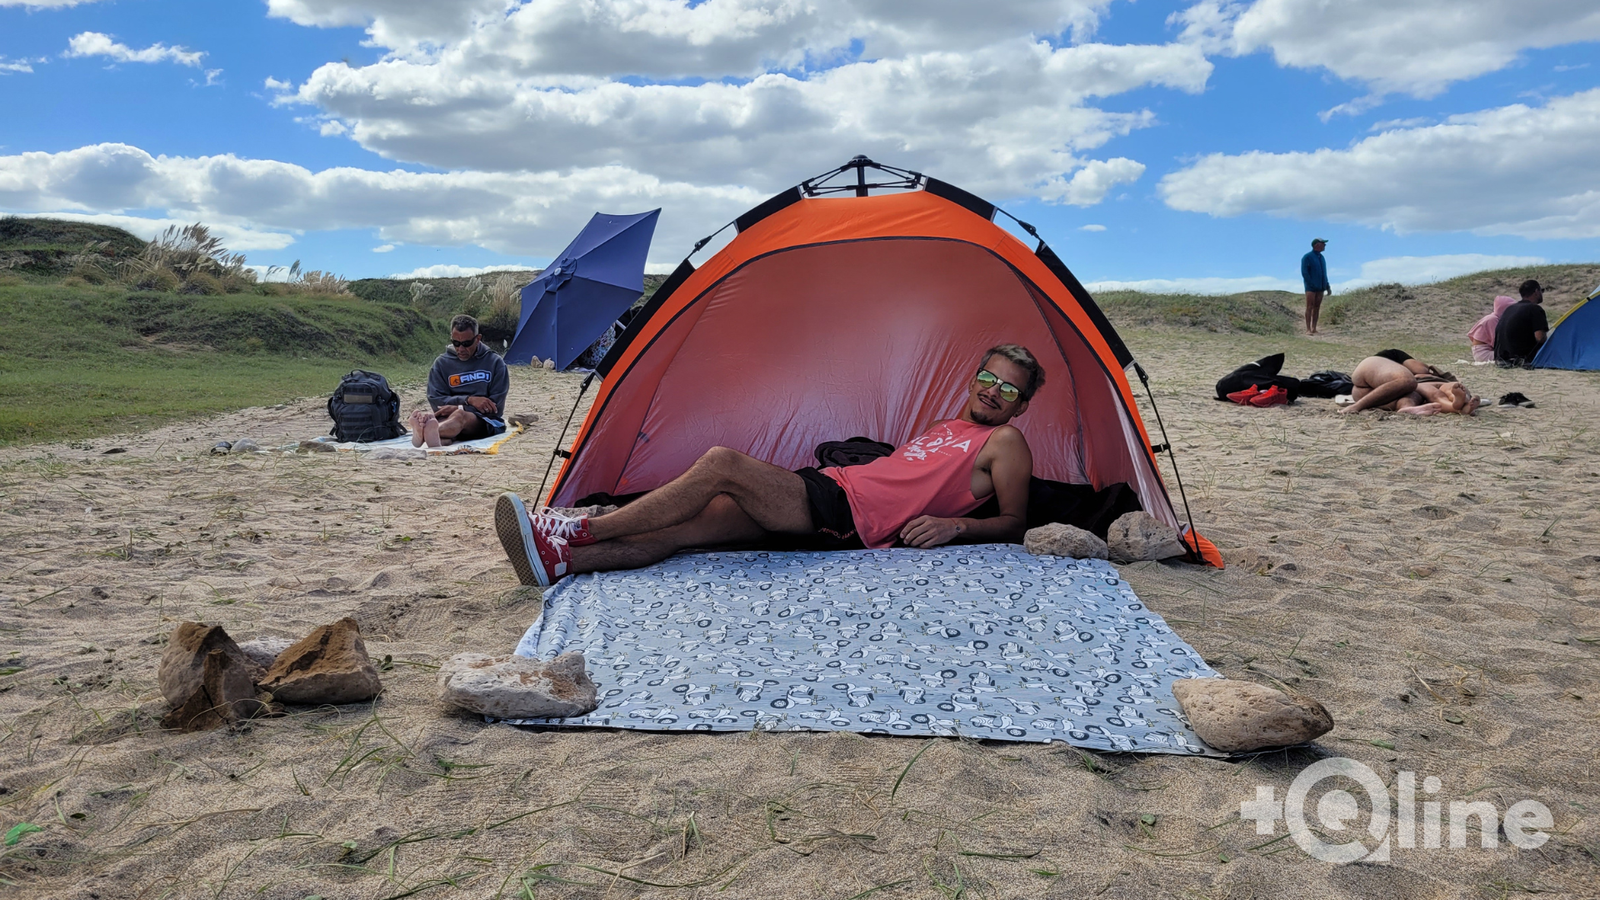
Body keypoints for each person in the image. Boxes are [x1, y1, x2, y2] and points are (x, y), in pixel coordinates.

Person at [495, 344, 1045, 586]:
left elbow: (1015, 522)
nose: (994, 392)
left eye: (1009, 390)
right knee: (686, 530)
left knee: (721, 464)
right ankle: (564, 563)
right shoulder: (946, 426)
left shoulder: (1006, 440)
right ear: (973, 378)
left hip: (847, 515)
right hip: (829, 490)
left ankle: (579, 530)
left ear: (1021, 405)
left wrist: (956, 527)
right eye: (988, 378)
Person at [414, 315, 510, 447]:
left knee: (459, 415)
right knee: (447, 432)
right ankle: (439, 436)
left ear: (478, 339)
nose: (461, 349)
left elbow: (495, 408)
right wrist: (468, 400)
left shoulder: (495, 363)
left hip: (486, 421)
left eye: (466, 344)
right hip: (449, 419)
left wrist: (460, 408)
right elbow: (436, 400)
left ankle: (425, 433)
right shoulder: (441, 364)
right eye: (456, 343)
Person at [1340, 352, 1479, 416]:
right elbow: (1420, 369)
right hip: (1422, 384)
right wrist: (1427, 367)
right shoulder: (1394, 356)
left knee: (1412, 396)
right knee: (1439, 392)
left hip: (1408, 392)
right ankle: (1458, 403)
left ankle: (1457, 405)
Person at [1494, 280, 1548, 368]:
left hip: (1501, 359)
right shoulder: (1535, 309)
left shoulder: (1510, 309)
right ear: (1536, 291)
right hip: (1521, 359)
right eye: (1541, 291)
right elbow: (1540, 338)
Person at [1468, 296, 1517, 362]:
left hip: (1489, 350)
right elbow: (1497, 341)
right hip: (1483, 353)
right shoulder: (1492, 320)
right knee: (1513, 357)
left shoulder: (1497, 318)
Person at [1301, 238, 1331, 335]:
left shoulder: (1322, 258)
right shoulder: (1307, 257)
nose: (1325, 246)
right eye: (1323, 244)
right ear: (1317, 245)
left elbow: (1324, 273)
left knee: (1317, 307)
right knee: (1309, 307)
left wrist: (1327, 286)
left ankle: (1314, 328)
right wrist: (1311, 284)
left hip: (1321, 287)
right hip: (1311, 288)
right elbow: (1305, 273)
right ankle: (1308, 329)